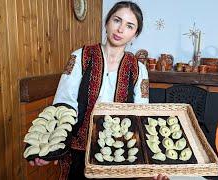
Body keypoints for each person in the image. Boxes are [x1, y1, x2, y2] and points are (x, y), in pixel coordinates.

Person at [29, 1, 168, 179]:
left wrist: (152, 165)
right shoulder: (80, 56)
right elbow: (63, 104)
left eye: (129, 26)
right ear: (107, 22)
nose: (120, 29)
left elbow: (141, 115)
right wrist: (51, 147)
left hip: (120, 153)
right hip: (79, 151)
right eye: (117, 20)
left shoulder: (139, 69)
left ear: (135, 34)